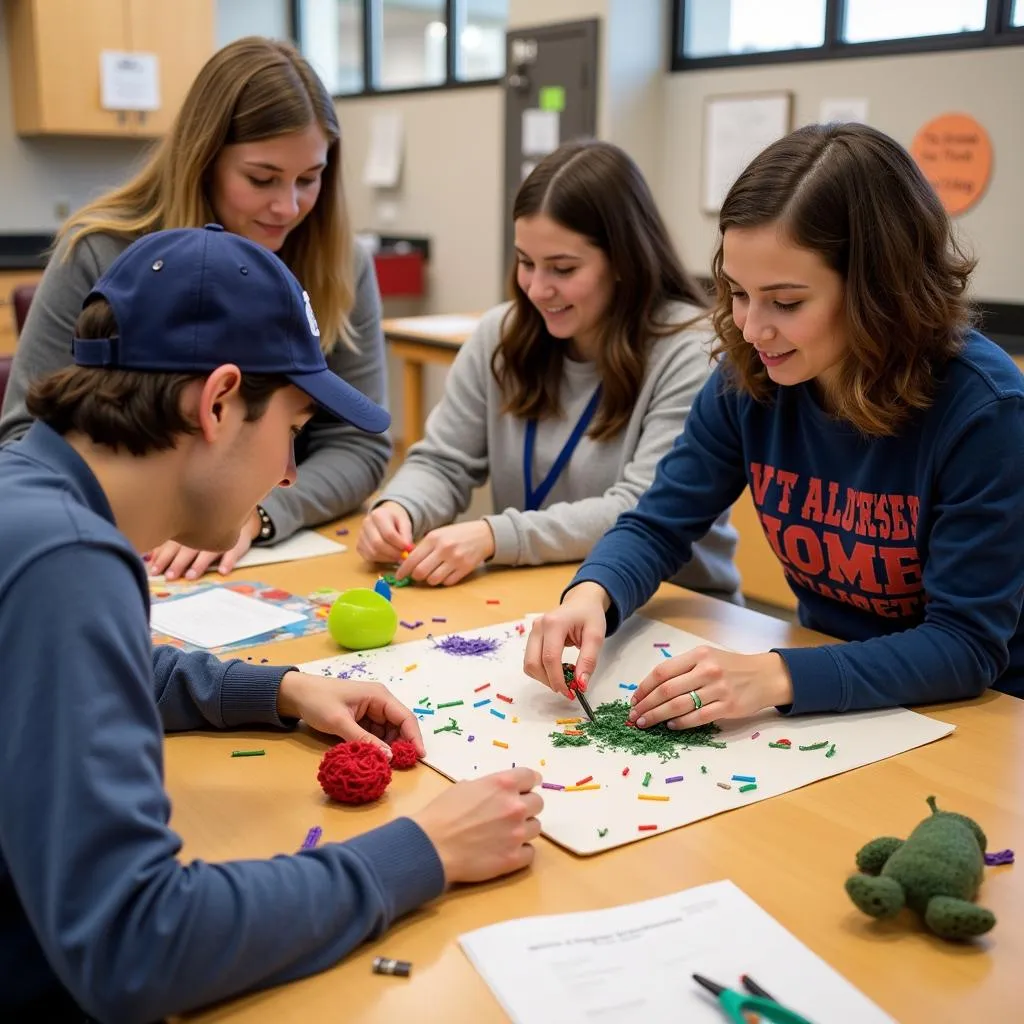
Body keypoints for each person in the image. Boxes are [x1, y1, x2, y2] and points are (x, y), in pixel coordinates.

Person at [0, 226, 543, 1022]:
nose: (291, 473)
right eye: (291, 429)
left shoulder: (31, 489)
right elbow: (136, 944)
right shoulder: (67, 562)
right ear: (218, 402)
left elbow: (87, 677)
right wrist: (423, 852)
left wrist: (278, 689)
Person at [524, 122, 1024, 725]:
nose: (752, 328)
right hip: (829, 686)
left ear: (879, 291)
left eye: (786, 303)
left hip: (977, 716)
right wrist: (592, 594)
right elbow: (660, 524)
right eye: (737, 292)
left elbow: (965, 647)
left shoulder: (984, 410)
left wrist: (774, 674)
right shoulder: (751, 374)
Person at [0, 36, 390, 582]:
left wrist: (251, 514)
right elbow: (25, 440)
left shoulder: (337, 262)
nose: (288, 206)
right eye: (261, 179)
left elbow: (360, 444)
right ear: (204, 159)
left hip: (241, 553)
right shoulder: (102, 252)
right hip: (122, 550)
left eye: (310, 179)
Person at [357, 140, 740, 599]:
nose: (538, 289)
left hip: (669, 609)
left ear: (623, 261)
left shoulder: (689, 352)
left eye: (562, 268)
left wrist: (495, 536)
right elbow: (443, 461)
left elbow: (644, 510)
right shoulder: (501, 334)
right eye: (525, 262)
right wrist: (401, 505)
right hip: (537, 601)